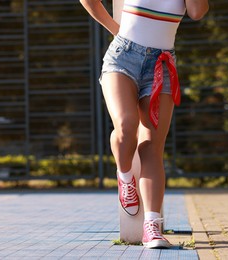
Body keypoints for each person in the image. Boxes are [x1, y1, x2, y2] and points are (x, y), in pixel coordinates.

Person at [80, 0, 209, 248]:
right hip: (123, 57)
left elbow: (198, 12)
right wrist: (114, 28)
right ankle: (125, 175)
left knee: (151, 145)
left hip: (162, 63)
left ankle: (151, 227)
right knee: (127, 127)